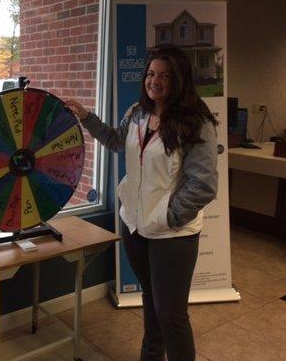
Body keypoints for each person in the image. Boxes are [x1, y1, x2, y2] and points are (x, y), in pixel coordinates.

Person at [66, 45, 218, 361]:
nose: (155, 81)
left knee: (172, 315)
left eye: (164, 75)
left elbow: (203, 186)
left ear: (179, 79)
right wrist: (86, 117)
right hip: (134, 225)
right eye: (151, 74)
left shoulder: (196, 122)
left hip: (171, 234)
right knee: (151, 300)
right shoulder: (138, 112)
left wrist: (167, 217)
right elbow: (115, 140)